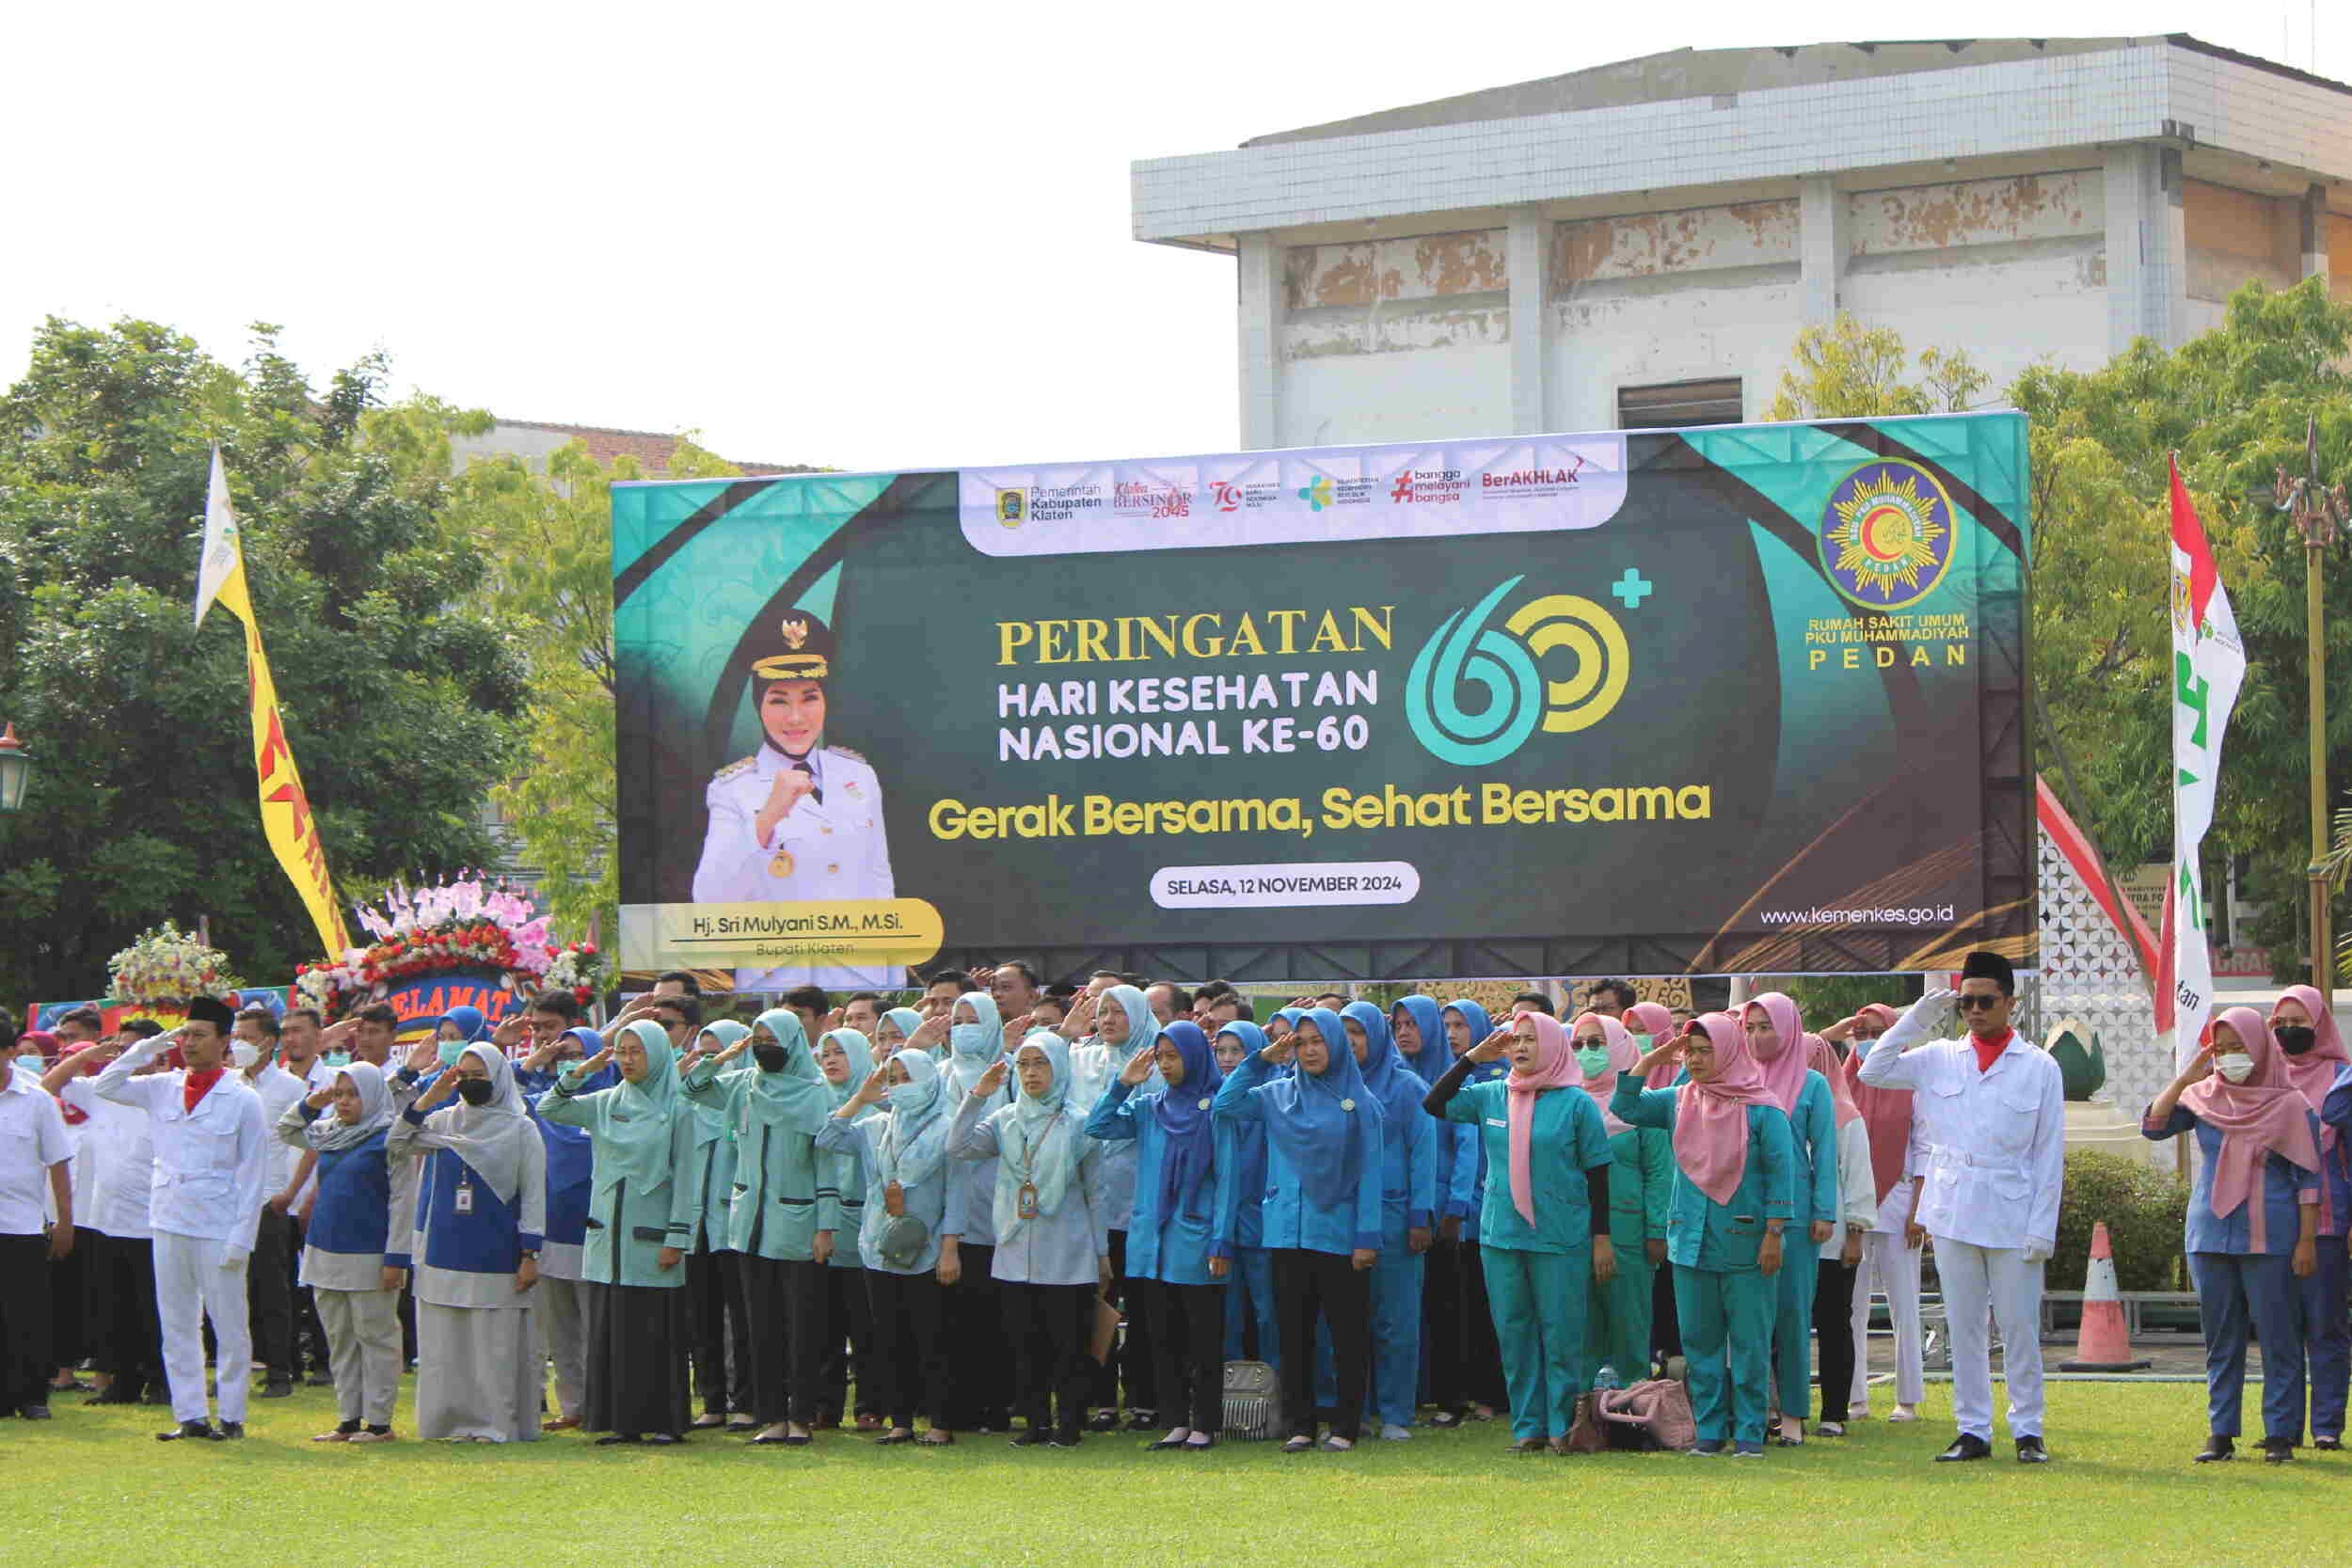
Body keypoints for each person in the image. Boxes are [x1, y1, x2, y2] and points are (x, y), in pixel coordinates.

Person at [1858, 950, 2064, 1463]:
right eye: (1966, 1002)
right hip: (1952, 1210)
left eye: (1986, 1001)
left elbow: (2049, 1155)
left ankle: (2028, 1429)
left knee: (2017, 1326)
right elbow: (1873, 1070)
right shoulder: (1939, 1057)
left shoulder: (2039, 1067)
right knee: (1964, 1325)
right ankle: (1973, 1429)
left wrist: (2043, 1228)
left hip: (2014, 1212)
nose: (1975, 1010)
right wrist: (1916, 1019)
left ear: (2009, 1004)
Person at [1423, 1008, 1613, 1452]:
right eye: (1515, 1040)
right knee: (1514, 1332)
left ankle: (1562, 1427)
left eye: (1530, 1039)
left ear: (1551, 1045)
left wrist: (1601, 1238)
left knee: (1562, 1334)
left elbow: (1599, 1175)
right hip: (1501, 1234)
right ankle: (1527, 1429)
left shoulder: (1576, 1102)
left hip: (1560, 1235)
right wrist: (1472, 1057)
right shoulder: (1491, 1094)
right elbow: (1434, 1104)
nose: (1522, 1047)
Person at [2143, 1007, 2323, 1463]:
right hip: (2210, 1235)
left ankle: (2281, 1435)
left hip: (2271, 1237)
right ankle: (2221, 1432)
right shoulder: (2204, 1097)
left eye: (2237, 1048)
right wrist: (2185, 1078)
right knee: (2220, 1338)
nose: (2228, 1058)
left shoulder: (2291, 1106)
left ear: (2260, 1047)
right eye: (2220, 1050)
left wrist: (2305, 1242)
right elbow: (2154, 1125)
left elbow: (2309, 1181)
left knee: (2279, 1335)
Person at [1615, 1013, 1795, 1457]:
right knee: (1700, 1343)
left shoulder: (1763, 1107)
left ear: (1729, 1050)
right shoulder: (1678, 1101)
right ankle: (1711, 1432)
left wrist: (1774, 1233)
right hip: (1689, 1240)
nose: (1695, 1060)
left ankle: (1751, 1433)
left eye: (1704, 1050)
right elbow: (1626, 1107)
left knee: (1750, 1342)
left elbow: (1781, 1174)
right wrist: (1652, 1059)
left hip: (1748, 1242)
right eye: (1689, 1051)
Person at [93, 998, 269, 1441]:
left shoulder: (243, 1099)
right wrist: (146, 1049)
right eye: (185, 1034)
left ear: (225, 1041)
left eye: (199, 1035)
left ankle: (231, 1415)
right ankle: (190, 1414)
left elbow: (253, 1176)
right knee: (176, 1323)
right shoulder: (162, 1086)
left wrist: (241, 1238)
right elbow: (106, 1084)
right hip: (169, 1218)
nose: (189, 1043)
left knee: (229, 1324)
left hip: (218, 1224)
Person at [691, 609, 896, 990]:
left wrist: (891, 980)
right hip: (777, 984)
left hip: (859, 980)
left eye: (810, 697)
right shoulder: (733, 788)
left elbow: (880, 886)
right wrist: (768, 815)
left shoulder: (858, 776)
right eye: (779, 700)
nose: (796, 717)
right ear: (758, 706)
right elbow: (711, 899)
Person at [1213, 1006, 1384, 1452]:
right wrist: (1260, 1060)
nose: (1308, 1050)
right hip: (1285, 1234)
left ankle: (1345, 1425)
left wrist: (1366, 1237)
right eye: (1300, 1042)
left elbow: (1371, 1172)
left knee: (1346, 1335)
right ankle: (1300, 1425)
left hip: (1340, 1236)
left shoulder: (1360, 1101)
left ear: (1336, 1044)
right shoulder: (1274, 1095)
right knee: (1292, 1336)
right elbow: (1226, 1105)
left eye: (1317, 1041)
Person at [678, 1009, 839, 1447]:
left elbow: (828, 1165)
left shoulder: (815, 1093)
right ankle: (772, 1416)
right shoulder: (742, 1085)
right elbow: (690, 1087)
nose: (764, 1045)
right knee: (760, 1325)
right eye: (758, 1038)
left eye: (773, 1038)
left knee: (801, 1327)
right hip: (748, 1223)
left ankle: (801, 1416)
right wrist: (719, 1058)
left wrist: (826, 1226)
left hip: (799, 1223)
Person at [543, 1020, 706, 1444]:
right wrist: (579, 1071)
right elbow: (549, 1108)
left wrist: (677, 1237)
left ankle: (664, 1422)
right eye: (622, 1051)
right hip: (606, 1236)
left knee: (654, 1333)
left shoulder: (680, 1108)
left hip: (652, 1238)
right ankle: (621, 1422)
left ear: (658, 1054)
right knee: (612, 1334)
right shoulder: (604, 1101)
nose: (628, 1060)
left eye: (637, 1051)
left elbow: (688, 1178)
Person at [949, 1031, 1109, 1449]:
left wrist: (1102, 1252)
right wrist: (979, 1095)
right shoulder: (1005, 1119)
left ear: (1058, 1067)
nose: (1032, 1073)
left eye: (1041, 1064)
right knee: (1025, 1343)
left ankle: (1069, 1423)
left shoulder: (1080, 1120)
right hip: (1014, 1246)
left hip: (1068, 1249)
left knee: (1068, 1343)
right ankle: (1035, 1422)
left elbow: (1096, 1190)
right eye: (1023, 1065)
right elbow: (958, 1146)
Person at [1086, 1021, 1231, 1450]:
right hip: (1150, 1240)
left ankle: (1205, 1423)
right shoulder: (1149, 1107)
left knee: (1202, 1340)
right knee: (1161, 1337)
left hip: (1196, 1237)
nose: (1166, 1065)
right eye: (1161, 1057)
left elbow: (1228, 1179)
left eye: (1174, 1056)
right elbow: (1098, 1126)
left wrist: (1220, 1239)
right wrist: (1122, 1085)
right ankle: (1175, 1421)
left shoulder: (1217, 1106)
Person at [389, 1042, 545, 1442]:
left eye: (480, 1077)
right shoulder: (442, 1122)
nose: (472, 1084)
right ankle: (446, 1424)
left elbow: (533, 1195)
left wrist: (530, 1253)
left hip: (496, 1251)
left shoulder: (521, 1128)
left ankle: (494, 1426)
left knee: (493, 1349)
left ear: (498, 1078)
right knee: (446, 1348)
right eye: (465, 1077)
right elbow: (398, 1142)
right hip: (443, 1248)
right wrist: (430, 1097)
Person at [818, 1049, 962, 1445]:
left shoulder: (948, 1128)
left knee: (932, 1338)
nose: (900, 1087)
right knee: (890, 1338)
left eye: (907, 1078)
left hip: (929, 1248)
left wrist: (950, 1249)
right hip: (879, 1244)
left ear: (930, 1081)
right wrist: (861, 1098)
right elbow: (828, 1137)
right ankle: (900, 1421)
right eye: (893, 1079)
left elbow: (957, 1193)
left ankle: (940, 1422)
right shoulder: (876, 1126)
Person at [278, 1060, 416, 1442]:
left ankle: (380, 1422)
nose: (343, 1102)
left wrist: (396, 1259)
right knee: (339, 1337)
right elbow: (286, 1129)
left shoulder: (390, 1138)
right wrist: (312, 1102)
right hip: (325, 1249)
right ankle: (349, 1418)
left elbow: (402, 1202)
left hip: (371, 1253)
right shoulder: (328, 1133)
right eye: (338, 1094)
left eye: (352, 1094)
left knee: (376, 1337)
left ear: (372, 1095)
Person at [49, 1024, 165, 1405]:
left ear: (155, 1054)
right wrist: (84, 1057)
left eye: (133, 1050)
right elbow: (47, 1087)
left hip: (152, 1219)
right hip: (106, 1217)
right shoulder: (100, 1089)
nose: (123, 1058)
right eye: (118, 1050)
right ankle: (124, 1383)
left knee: (154, 1306)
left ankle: (161, 1381)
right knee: (114, 1307)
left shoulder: (165, 1088)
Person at [1742, 990, 1837, 1445]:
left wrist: (1824, 1212)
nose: (1758, 1037)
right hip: (1743, 1214)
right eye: (1751, 1028)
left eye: (1767, 1027)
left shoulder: (1813, 1084)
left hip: (1797, 1219)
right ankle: (1756, 1411)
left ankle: (1795, 1417)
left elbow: (1825, 1150)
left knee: (1793, 1316)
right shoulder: (1736, 1078)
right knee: (1748, 1319)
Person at [1339, 1000, 1435, 1440]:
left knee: (1396, 1318)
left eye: (1358, 1033)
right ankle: (1352, 1409)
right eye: (1343, 1033)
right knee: (1346, 1319)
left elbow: (1424, 1152)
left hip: (1396, 1217)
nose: (1351, 1043)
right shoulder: (1327, 1085)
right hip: (1342, 1219)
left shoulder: (1407, 1086)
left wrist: (1421, 1216)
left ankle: (1396, 1412)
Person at [1068, 982, 1159, 1431]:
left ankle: (1144, 1399)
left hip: (1141, 1206)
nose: (1107, 1020)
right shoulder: (1083, 1060)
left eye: (1119, 1012)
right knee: (1093, 1306)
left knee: (1142, 1310)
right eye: (1102, 1012)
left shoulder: (1159, 1062)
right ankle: (1100, 1399)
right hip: (1090, 1205)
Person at [1830, 1004, 1926, 1423]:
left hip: (1901, 1199)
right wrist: (1838, 1032)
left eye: (1876, 1032)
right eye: (1861, 1033)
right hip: (1853, 1202)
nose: (1867, 1041)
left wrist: (1919, 1210)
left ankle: (1907, 1398)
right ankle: (1855, 1396)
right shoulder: (1842, 1083)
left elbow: (1924, 1148)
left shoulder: (1913, 1081)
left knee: (1904, 1302)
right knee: (1851, 1304)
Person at [1566, 1011, 1667, 1392]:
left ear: (1620, 1046)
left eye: (1596, 1043)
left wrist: (1657, 1230)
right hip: (1574, 1229)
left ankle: (1635, 1405)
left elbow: (1660, 1172)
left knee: (1630, 1320)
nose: (1586, 1052)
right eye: (1577, 1045)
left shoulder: (1643, 1105)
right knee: (1582, 1323)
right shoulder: (1566, 1101)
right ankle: (1582, 1411)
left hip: (1630, 1232)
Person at [2272, 985, 2352, 1448]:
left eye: (2298, 1023)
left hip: (2326, 1220)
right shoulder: (2266, 1073)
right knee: (2280, 1329)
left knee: (2325, 1326)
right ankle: (2284, 1427)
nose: (2287, 1032)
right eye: (2280, 1024)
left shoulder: (2341, 1077)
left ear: (2319, 1024)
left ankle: (2326, 1426)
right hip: (2268, 1219)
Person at [932, 991, 1013, 1433]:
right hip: (948, 1206)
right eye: (956, 1020)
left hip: (999, 1207)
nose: (963, 1028)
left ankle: (997, 1406)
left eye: (973, 1020)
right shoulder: (940, 1073)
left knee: (996, 1318)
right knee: (954, 1319)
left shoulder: (1013, 1072)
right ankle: (957, 1406)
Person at [523, 1025, 610, 1431]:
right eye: (564, 1057)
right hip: (553, 1230)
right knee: (562, 1331)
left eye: (579, 1054)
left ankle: (601, 1404)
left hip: (598, 1230)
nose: (572, 1063)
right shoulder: (545, 1104)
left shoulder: (612, 1101)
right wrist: (536, 1062)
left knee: (598, 1328)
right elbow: (503, 1090)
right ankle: (572, 1406)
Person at [680, 1019, 753, 1432]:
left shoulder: (744, 1098)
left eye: (719, 1051)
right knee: (701, 1318)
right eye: (704, 1052)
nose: (711, 1060)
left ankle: (747, 1401)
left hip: (735, 1225)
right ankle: (712, 1401)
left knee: (743, 1320)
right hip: (697, 1226)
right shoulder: (690, 1105)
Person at [1438, 998, 1508, 1422]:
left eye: (1461, 1025)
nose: (1452, 1033)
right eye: (1447, 1025)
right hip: (1463, 1212)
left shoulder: (1500, 1079)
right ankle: (1466, 1389)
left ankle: (1494, 1392)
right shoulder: (1452, 1078)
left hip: (1489, 1203)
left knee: (1490, 1306)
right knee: (1462, 1306)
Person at [0, 1021, 72, 1421]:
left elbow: (58, 1162)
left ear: (11, 1052)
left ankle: (31, 1394)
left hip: (22, 1224)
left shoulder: (36, 1099)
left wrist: (65, 1221)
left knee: (26, 1315)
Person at [1805, 1032, 1877, 1436]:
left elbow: (1857, 1176)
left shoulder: (1844, 1114)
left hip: (1833, 1242)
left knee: (1834, 1324)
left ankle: (1834, 1411)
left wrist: (1855, 1235)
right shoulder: (1778, 1104)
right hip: (1791, 1238)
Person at [813, 1028, 877, 1430]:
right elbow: (820, 1143)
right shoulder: (814, 1100)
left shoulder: (878, 1106)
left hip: (863, 1227)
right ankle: (825, 1406)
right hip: (821, 1224)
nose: (832, 1060)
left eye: (841, 1053)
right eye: (826, 1053)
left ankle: (870, 1405)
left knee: (866, 1325)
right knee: (823, 1325)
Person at [1212, 1022, 1279, 1370]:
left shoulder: (1273, 1096)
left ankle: (1277, 1394)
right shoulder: (1213, 1099)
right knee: (1228, 1317)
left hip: (1264, 1225)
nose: (1227, 1059)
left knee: (1270, 1316)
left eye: (1236, 1051)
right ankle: (1229, 1399)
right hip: (1225, 1227)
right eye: (1220, 1050)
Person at [1624, 999, 1682, 1373]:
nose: (1638, 1040)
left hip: (1674, 1213)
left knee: (1671, 1305)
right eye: (1631, 1032)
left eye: (1645, 1032)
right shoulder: (1625, 1084)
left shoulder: (1684, 1082)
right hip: (1635, 1217)